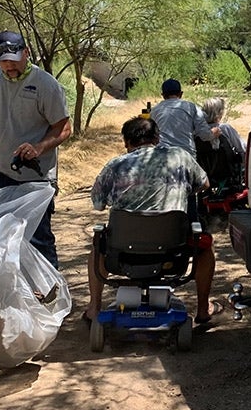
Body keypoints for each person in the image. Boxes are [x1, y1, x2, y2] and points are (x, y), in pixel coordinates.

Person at [0, 30, 70, 270]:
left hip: (35, 177)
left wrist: (38, 147)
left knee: (38, 238)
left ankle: (49, 291)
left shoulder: (46, 85)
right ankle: (6, 289)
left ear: (26, 53)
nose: (9, 66)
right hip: (0, 173)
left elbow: (64, 128)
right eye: (4, 61)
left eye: (14, 60)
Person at [88, 116, 218, 325]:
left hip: (122, 253)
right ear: (157, 138)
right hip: (174, 251)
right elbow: (204, 184)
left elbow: (97, 203)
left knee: (97, 247)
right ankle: (203, 308)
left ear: (126, 143)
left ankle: (93, 308)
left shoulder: (115, 166)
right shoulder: (180, 157)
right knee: (205, 246)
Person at [149, 78, 219, 155]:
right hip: (186, 155)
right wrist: (214, 133)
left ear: (163, 95)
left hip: (162, 155)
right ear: (181, 94)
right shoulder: (192, 107)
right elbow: (204, 135)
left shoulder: (154, 111)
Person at [196, 97, 246, 191]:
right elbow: (243, 148)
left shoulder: (198, 132)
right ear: (219, 113)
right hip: (228, 173)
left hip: (206, 176)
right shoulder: (225, 129)